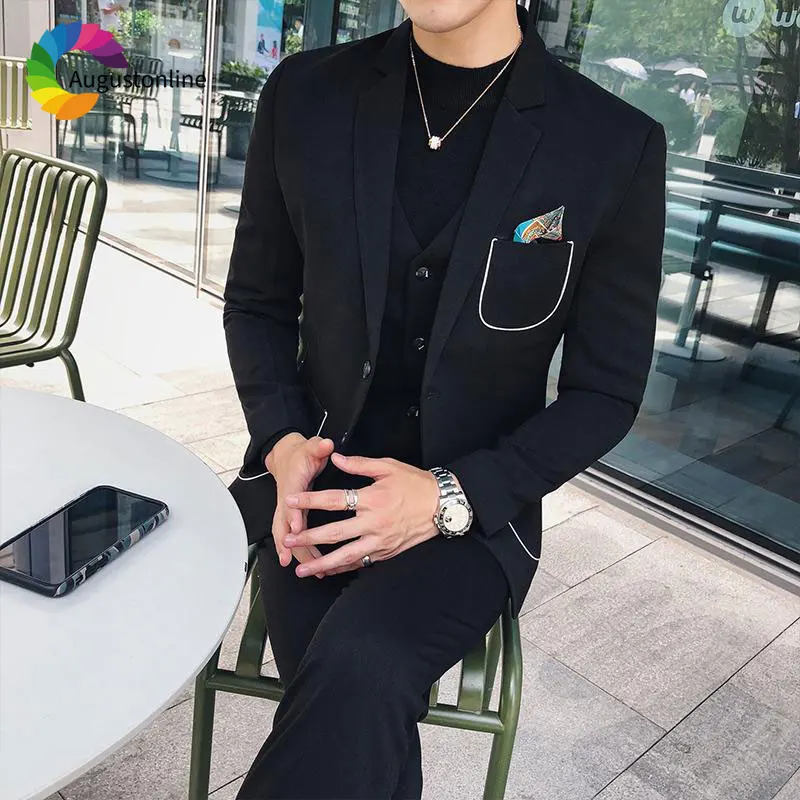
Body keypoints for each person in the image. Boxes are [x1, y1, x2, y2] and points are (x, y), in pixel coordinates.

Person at [224, 1, 666, 797]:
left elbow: (605, 391)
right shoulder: (305, 95)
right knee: (354, 691)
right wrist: (283, 443)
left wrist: (448, 496)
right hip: (312, 488)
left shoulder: (612, 143)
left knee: (358, 667)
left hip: (473, 513)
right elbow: (257, 305)